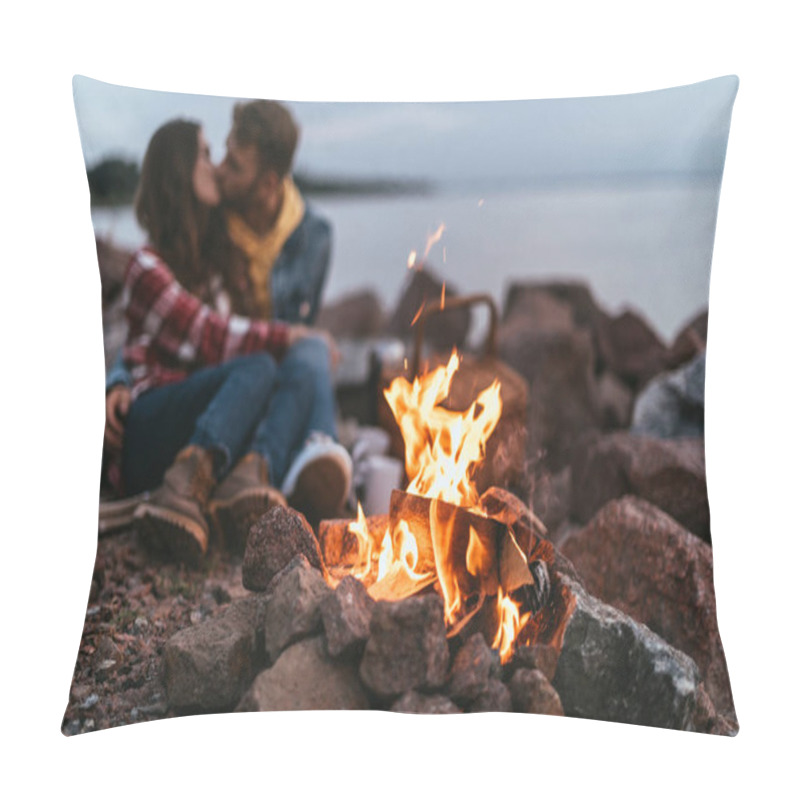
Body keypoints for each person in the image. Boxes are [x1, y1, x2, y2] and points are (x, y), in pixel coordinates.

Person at [105, 100, 351, 528]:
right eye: (207, 153)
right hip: (153, 425)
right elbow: (210, 335)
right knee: (266, 363)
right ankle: (293, 455)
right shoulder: (148, 265)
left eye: (228, 162)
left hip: (203, 415)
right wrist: (116, 379)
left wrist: (298, 344)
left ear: (267, 183)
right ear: (181, 173)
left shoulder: (237, 257)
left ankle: (254, 472)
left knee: (292, 362)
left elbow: (219, 350)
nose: (217, 167)